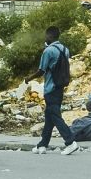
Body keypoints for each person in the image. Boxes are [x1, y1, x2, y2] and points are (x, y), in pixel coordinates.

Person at [25, 26, 79, 156]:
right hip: (60, 87)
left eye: (46, 36)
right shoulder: (65, 49)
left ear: (49, 36)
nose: (45, 38)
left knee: (55, 116)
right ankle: (42, 145)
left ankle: (70, 142)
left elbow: (41, 70)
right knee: (49, 117)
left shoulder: (48, 51)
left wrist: (29, 78)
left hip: (50, 87)